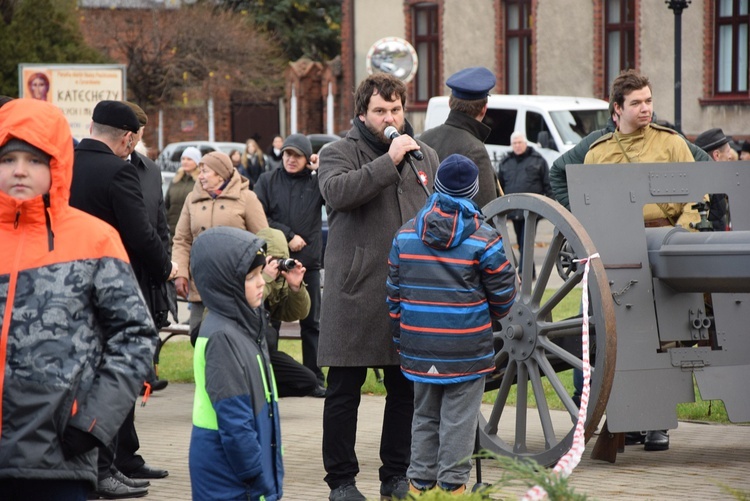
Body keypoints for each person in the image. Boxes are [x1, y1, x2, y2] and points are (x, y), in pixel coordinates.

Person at [0, 98, 157, 501]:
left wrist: (93, 423)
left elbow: (135, 336)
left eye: (35, 160)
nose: (20, 170)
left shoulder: (94, 239)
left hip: (59, 459)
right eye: (8, 158)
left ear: (56, 163)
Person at [317, 72, 440, 501]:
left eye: (396, 109)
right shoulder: (337, 152)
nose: (390, 117)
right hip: (355, 289)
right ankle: (342, 481)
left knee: (404, 389)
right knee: (343, 390)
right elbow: (338, 193)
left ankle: (395, 475)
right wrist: (388, 161)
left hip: (408, 291)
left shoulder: (424, 154)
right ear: (361, 114)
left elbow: (437, 209)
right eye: (380, 110)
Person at [584, 69, 703, 451]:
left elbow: (696, 200)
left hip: (666, 246)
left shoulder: (672, 144)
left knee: (667, 339)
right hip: (618, 257)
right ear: (617, 109)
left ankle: (658, 422)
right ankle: (628, 419)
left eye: (649, 101)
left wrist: (681, 240)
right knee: (621, 341)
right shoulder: (598, 153)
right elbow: (589, 208)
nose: (646, 108)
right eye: (636, 103)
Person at [386, 154, 517, 495]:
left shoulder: (404, 236)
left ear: (437, 186)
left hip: (419, 345)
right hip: (466, 347)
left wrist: (403, 341)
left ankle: (418, 485)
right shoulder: (484, 239)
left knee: (425, 417)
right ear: (472, 192)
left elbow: (394, 297)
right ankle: (452, 488)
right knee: (459, 420)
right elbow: (504, 298)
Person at [69, 100, 177, 497]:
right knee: (111, 380)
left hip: (65, 288)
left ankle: (101, 466)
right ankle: (103, 469)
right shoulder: (119, 171)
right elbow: (142, 233)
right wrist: (167, 269)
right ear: (128, 138)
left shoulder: (63, 165)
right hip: (113, 289)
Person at [188, 226, 283, 501]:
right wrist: (255, 472)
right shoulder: (222, 337)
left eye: (260, 273)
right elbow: (234, 419)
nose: (262, 282)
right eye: (251, 277)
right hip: (230, 478)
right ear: (225, 283)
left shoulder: (244, 326)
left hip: (247, 475)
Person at [254, 133, 326, 394]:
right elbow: (259, 217)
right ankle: (269, 376)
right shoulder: (267, 180)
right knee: (269, 322)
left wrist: (322, 168)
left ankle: (315, 378)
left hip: (308, 263)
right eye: (287, 154)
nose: (290, 159)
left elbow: (337, 198)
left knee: (311, 323)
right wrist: (288, 235)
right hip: (273, 261)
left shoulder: (316, 182)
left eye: (297, 155)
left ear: (307, 159)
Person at [172, 151, 268, 333]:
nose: (200, 176)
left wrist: (256, 276)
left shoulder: (246, 198)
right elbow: (182, 240)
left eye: (205, 171)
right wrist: (181, 273)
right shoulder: (192, 199)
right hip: (202, 283)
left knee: (235, 337)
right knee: (198, 335)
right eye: (199, 171)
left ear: (220, 174)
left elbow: (261, 240)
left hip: (236, 286)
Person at [419, 66, 501, 208]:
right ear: (484, 108)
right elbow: (486, 209)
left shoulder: (424, 138)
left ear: (450, 103)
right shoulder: (475, 150)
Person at [497, 131, 552, 276]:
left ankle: (523, 272)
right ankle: (530, 271)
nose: (517, 145)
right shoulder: (505, 162)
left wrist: (551, 206)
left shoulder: (538, 160)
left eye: (519, 142)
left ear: (526, 143)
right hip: (514, 211)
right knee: (522, 244)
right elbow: (499, 186)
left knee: (526, 240)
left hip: (532, 211)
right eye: (514, 143)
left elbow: (547, 185)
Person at [694, 127, 733, 231]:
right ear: (717, 155)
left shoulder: (706, 180)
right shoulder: (712, 185)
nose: (730, 156)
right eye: (728, 152)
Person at [165, 146, 201, 242]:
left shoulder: (201, 181)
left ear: (197, 162)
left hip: (193, 231)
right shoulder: (176, 180)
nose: (185, 161)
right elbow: (166, 204)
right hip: (174, 230)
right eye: (183, 159)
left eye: (189, 159)